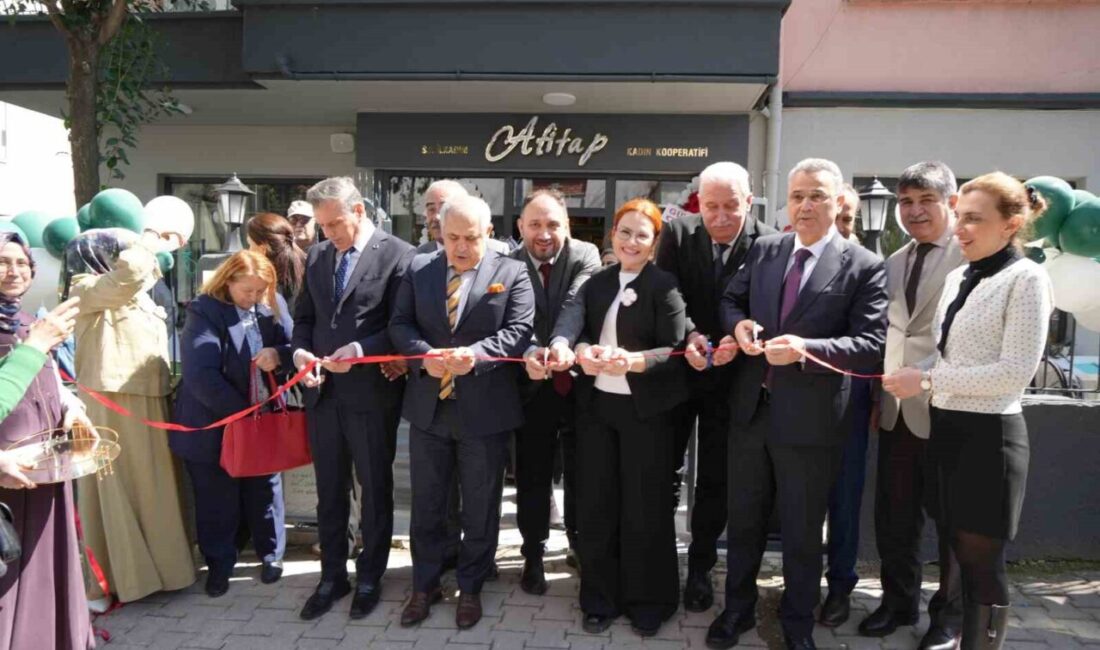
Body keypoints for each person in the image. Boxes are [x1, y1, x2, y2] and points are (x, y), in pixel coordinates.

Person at [707, 158, 888, 650]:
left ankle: (796, 624)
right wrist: (738, 326)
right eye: (797, 196)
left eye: (817, 196)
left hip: (811, 422)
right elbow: (731, 300)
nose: (805, 205)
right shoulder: (766, 250)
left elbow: (870, 344)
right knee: (743, 521)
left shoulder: (864, 266)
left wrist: (809, 350)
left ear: (838, 202)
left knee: (803, 530)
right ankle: (737, 611)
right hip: (752, 412)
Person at [883, 172, 1053, 650]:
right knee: (955, 547)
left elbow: (1013, 374)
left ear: (1012, 223)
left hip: (991, 437)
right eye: (960, 218)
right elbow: (949, 354)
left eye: (974, 219)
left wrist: (928, 379)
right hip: (948, 429)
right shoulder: (961, 275)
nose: (961, 229)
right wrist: (914, 371)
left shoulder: (1027, 278)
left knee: (982, 563)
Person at [389, 194, 534, 630]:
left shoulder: (512, 272)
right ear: (439, 234)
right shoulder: (419, 270)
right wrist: (421, 356)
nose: (461, 247)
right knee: (428, 504)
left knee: (480, 504)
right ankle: (425, 584)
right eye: (451, 237)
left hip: (484, 412)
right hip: (430, 410)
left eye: (470, 237)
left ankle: (470, 586)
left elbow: (520, 328)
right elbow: (400, 324)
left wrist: (476, 354)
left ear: (487, 233)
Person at [549, 198, 688, 637]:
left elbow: (677, 349)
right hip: (597, 411)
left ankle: (649, 600)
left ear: (654, 243)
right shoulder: (596, 283)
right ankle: (599, 599)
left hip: (646, 413)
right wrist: (585, 350)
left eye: (641, 235)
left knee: (644, 509)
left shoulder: (665, 285)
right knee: (597, 506)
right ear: (612, 236)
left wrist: (635, 361)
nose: (631, 241)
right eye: (624, 232)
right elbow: (582, 329)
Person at [291, 176, 415, 621]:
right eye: (322, 226)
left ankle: (369, 576)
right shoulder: (319, 254)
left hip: (371, 393)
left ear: (359, 211)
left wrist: (361, 351)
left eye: (335, 224)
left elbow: (402, 325)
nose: (328, 234)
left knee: (375, 488)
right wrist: (300, 352)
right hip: (323, 393)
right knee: (329, 490)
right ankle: (331, 577)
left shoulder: (400, 254)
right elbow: (304, 316)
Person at [859, 162, 965, 648]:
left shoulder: (971, 255)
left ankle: (948, 617)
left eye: (926, 201)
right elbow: (889, 336)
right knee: (896, 516)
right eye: (906, 202)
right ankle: (898, 604)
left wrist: (924, 381)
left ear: (952, 201)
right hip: (897, 410)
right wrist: (883, 397)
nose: (915, 211)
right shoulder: (894, 259)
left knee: (951, 522)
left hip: (951, 408)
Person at [664, 161, 777, 613]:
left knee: (714, 479)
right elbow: (668, 292)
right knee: (664, 470)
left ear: (749, 202)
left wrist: (739, 338)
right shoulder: (677, 235)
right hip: (680, 369)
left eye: (732, 206)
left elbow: (767, 305)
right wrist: (690, 334)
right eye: (711, 206)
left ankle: (700, 568)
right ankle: (656, 562)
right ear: (699, 203)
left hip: (733, 378)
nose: (721, 217)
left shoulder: (769, 243)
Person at [67, 228, 196, 607]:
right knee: (114, 488)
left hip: (150, 397)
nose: (123, 255)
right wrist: (147, 240)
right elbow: (130, 273)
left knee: (155, 489)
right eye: (116, 250)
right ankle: (109, 580)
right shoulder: (85, 287)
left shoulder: (133, 291)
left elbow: (138, 277)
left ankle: (167, 572)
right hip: (111, 400)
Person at [169, 250, 294, 598]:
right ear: (228, 281)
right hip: (215, 419)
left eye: (260, 291)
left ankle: (272, 555)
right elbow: (200, 374)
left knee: (265, 488)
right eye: (247, 291)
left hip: (260, 418)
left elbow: (293, 346)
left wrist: (279, 356)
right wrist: (243, 416)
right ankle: (220, 564)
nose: (253, 299)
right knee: (216, 494)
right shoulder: (204, 309)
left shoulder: (271, 303)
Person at [0, 232, 93, 650]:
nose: (13, 270)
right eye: (2, 261)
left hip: (46, 468)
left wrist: (73, 411)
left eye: (21, 262)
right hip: (8, 473)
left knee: (47, 565)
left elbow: (49, 378)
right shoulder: (34, 331)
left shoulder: (26, 320)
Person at [514, 189, 601, 594]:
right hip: (529, 386)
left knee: (583, 472)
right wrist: (532, 348)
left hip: (577, 383)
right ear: (521, 227)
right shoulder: (507, 261)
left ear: (566, 225)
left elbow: (576, 301)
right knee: (532, 474)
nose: (544, 233)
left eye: (553, 224)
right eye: (535, 224)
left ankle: (580, 545)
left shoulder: (585, 254)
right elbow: (515, 317)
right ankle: (533, 553)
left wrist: (562, 344)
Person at [818, 185, 874, 628]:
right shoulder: (788, 257)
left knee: (844, 502)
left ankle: (840, 587)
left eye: (848, 217)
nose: (839, 225)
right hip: (794, 405)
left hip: (849, 404)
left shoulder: (868, 267)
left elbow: (872, 344)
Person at [246, 212, 307, 304]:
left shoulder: (263, 285)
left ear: (262, 249)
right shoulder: (308, 265)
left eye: (250, 245)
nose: (248, 251)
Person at [417, 180, 470, 254]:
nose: (436, 217)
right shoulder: (417, 259)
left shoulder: (487, 256)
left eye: (444, 209)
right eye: (431, 209)